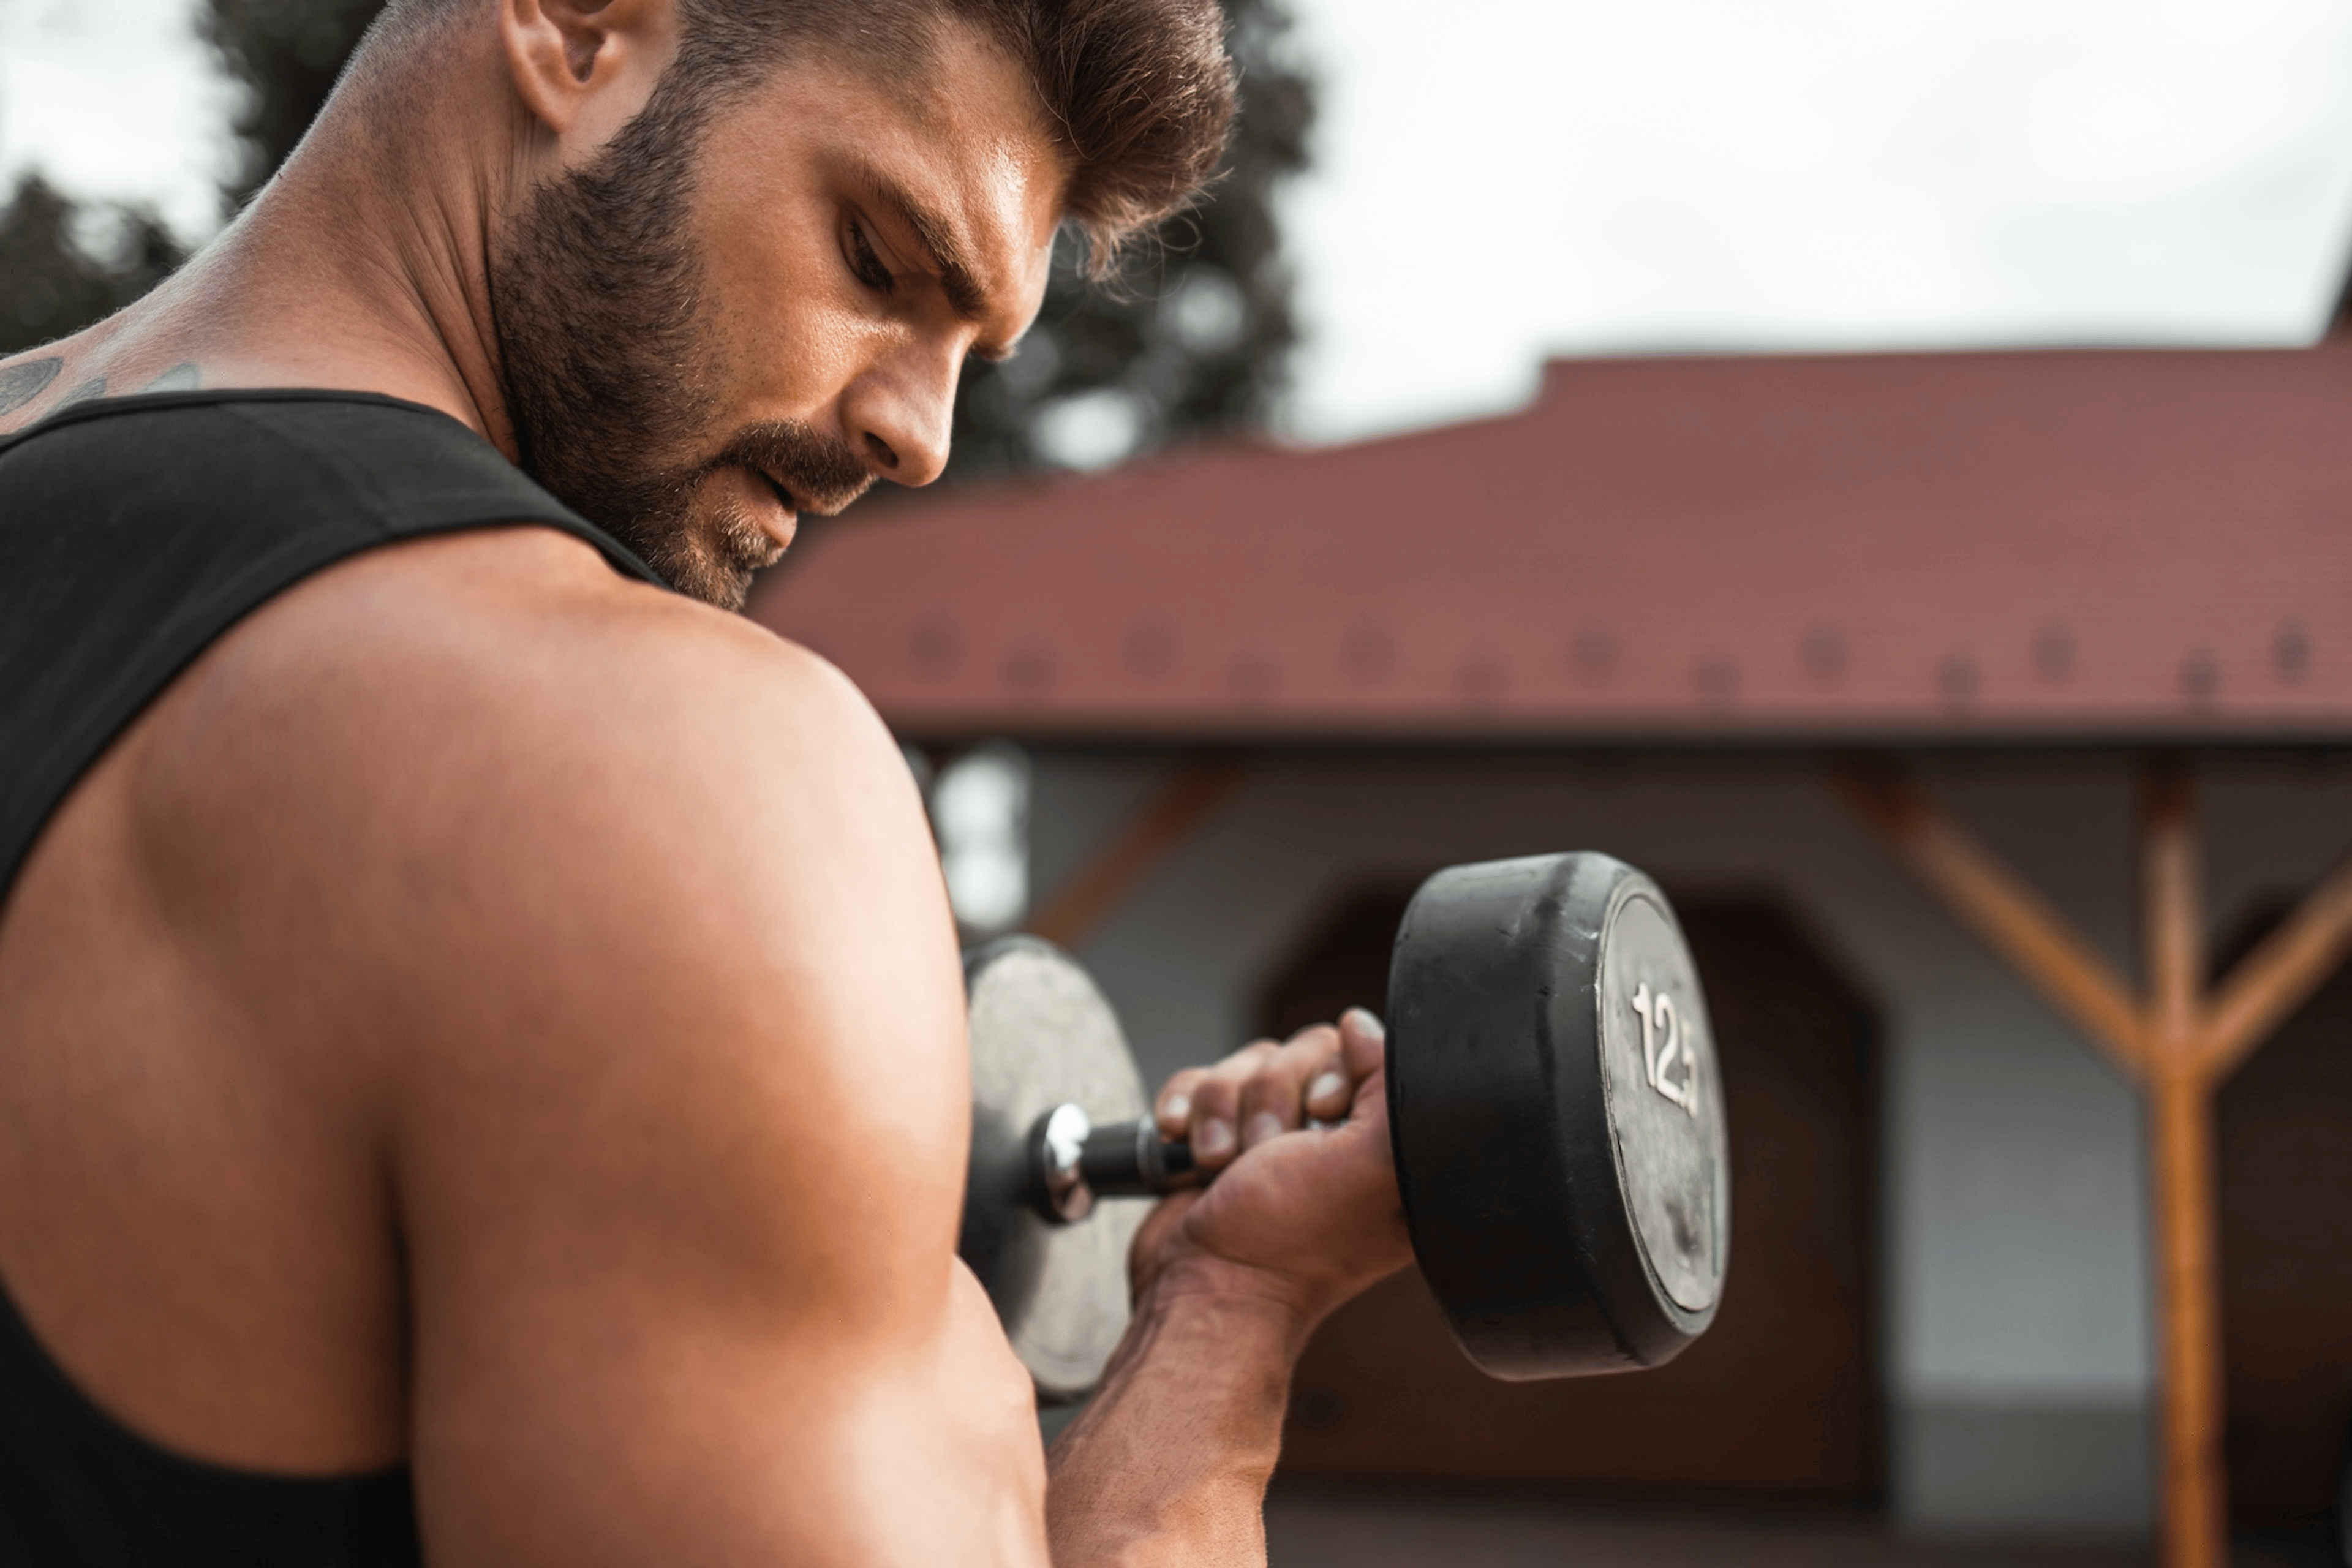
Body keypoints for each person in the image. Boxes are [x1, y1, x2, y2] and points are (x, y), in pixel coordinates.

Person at [0, 1, 1412, 1562]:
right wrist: (1230, 1333)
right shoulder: (652, 768)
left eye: (970, 353)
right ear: (578, 31)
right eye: (878, 259)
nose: (920, 433)